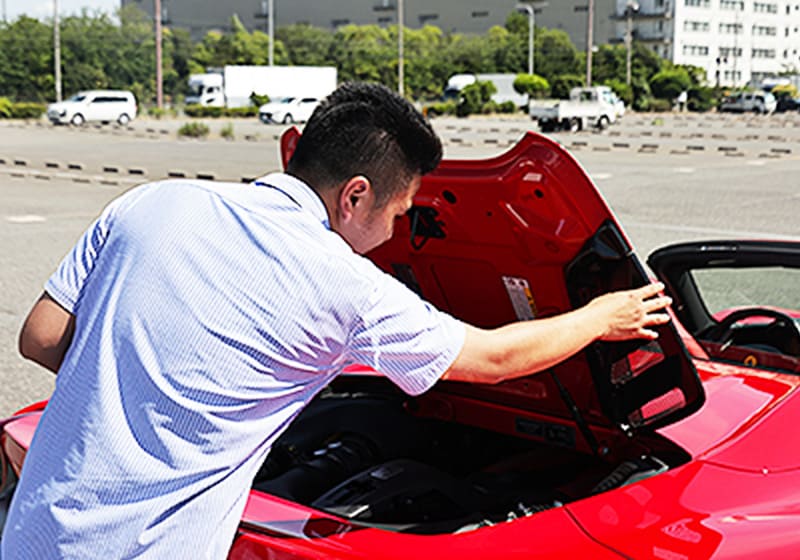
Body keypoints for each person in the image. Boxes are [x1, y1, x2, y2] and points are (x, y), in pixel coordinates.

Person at [3, 82, 671, 559]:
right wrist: (600, 315)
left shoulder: (152, 202)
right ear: (356, 195)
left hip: (31, 532)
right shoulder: (343, 284)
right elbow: (491, 360)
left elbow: (40, 337)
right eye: (399, 212)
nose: (394, 235)